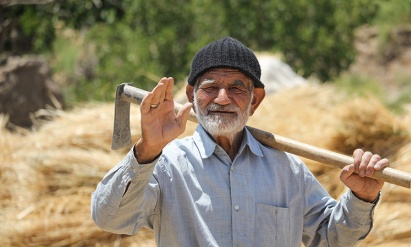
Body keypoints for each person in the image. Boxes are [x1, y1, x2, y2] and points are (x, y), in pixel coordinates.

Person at [91, 37, 389, 247]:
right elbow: (110, 218)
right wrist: (147, 149)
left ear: (255, 100)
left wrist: (361, 199)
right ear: (192, 96)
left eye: (236, 87)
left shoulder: (286, 170)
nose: (222, 98)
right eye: (211, 87)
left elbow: (331, 238)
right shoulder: (167, 166)